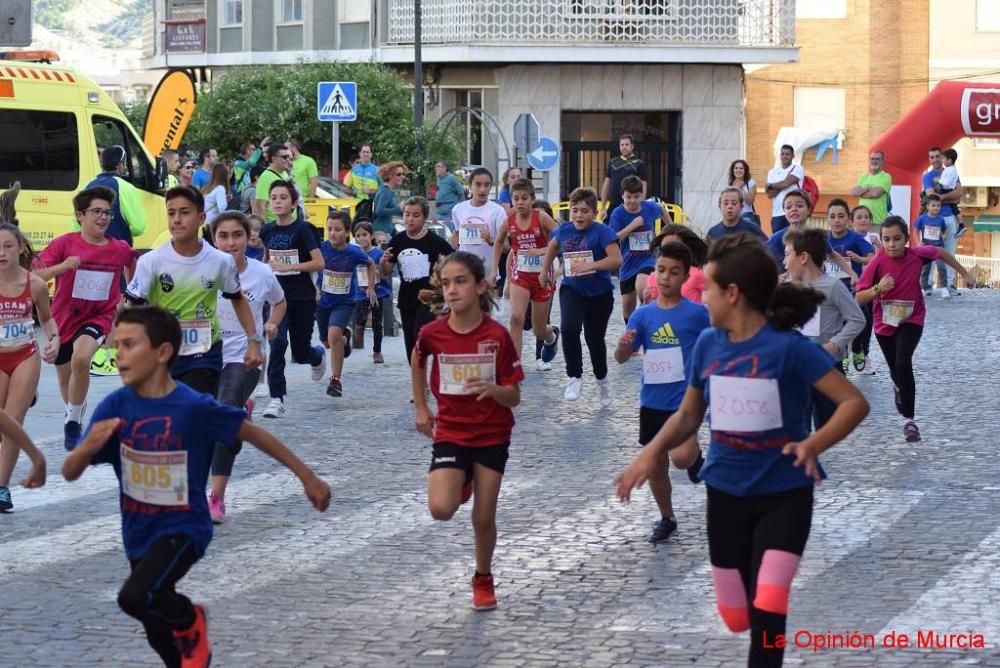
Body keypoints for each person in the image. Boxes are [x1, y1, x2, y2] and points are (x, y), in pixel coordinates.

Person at [616, 234, 870, 668]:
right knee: (737, 616)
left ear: (732, 295)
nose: (703, 294)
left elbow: (853, 403)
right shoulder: (709, 346)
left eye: (708, 288)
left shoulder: (790, 348)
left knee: (769, 602)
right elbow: (689, 414)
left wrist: (812, 443)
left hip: (785, 492)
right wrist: (651, 451)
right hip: (726, 492)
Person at [62, 305, 331, 667]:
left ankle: (191, 619)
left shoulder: (193, 408)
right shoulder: (114, 406)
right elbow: (70, 471)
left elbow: (253, 434)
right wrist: (89, 447)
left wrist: (307, 476)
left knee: (134, 597)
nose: (118, 355)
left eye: (128, 345)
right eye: (116, 346)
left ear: (162, 352)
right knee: (154, 620)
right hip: (138, 530)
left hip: (184, 526)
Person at [412, 251, 524, 611]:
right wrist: (421, 405)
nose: (452, 290)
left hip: (492, 433)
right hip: (452, 431)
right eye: (446, 283)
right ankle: (462, 479)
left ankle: (483, 578)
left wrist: (494, 391)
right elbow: (418, 356)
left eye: (460, 282)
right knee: (441, 509)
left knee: (483, 516)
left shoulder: (497, 335)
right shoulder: (433, 333)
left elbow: (515, 396)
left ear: (480, 286)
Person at [125, 186, 263, 399]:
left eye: (185, 212)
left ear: (201, 218)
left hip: (204, 354)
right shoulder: (151, 261)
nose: (177, 219)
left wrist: (253, 341)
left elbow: (237, 299)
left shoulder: (220, 261)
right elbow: (131, 306)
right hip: (161, 352)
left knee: (194, 411)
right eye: (171, 213)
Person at [614, 242, 709, 543]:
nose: (666, 277)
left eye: (674, 272)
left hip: (685, 400)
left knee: (680, 457)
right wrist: (623, 345)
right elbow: (621, 357)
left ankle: (695, 460)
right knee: (657, 465)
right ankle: (667, 517)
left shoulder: (698, 314)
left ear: (686, 277)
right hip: (652, 399)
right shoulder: (643, 316)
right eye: (661, 270)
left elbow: (719, 341)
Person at [34, 186, 137, 451]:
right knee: (65, 380)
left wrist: (126, 298)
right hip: (63, 318)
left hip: (100, 316)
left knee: (82, 359)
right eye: (96, 212)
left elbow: (131, 263)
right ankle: (75, 411)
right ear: (81, 215)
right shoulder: (64, 244)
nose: (103, 218)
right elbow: (35, 276)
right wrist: (63, 267)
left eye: (107, 213)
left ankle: (71, 422)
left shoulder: (119, 248)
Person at [855, 216, 974, 443]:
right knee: (895, 370)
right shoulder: (877, 262)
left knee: (903, 363)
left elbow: (941, 253)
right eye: (887, 239)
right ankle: (898, 385)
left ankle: (909, 421)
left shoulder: (917, 254)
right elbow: (859, 297)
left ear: (907, 238)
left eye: (897, 239)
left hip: (912, 318)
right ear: (881, 240)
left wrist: (964, 273)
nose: (892, 244)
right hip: (884, 324)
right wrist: (879, 288)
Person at [208, 212, 286, 525]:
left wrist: (271, 323)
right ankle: (242, 407)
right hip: (205, 357)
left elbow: (279, 302)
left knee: (225, 412)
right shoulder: (201, 271)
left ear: (247, 237)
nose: (230, 243)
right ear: (213, 239)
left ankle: (216, 496)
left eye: (236, 235)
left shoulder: (262, 273)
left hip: (245, 359)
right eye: (223, 236)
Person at [540, 187, 622, 405]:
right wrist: (544, 270)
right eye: (574, 210)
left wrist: (591, 265)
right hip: (572, 289)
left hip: (600, 293)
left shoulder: (602, 232)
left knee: (594, 339)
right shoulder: (564, 230)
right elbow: (552, 247)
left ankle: (602, 380)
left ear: (594, 213)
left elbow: (616, 260)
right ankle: (574, 376)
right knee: (569, 329)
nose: (578, 215)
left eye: (584, 211)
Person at [0, 223, 58, 511]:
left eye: (8, 246)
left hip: (25, 355)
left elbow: (46, 319)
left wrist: (55, 340)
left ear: (21, 248)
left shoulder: (34, 284)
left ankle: (1, 488)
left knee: (13, 420)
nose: (1, 253)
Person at [783, 228, 866, 430]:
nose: (784, 262)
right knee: (796, 423)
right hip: (796, 365)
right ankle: (802, 454)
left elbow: (857, 319)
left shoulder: (832, 286)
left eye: (787, 255)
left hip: (826, 365)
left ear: (803, 258)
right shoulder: (787, 288)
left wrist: (835, 344)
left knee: (827, 423)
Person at [259, 180, 326, 418]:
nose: (277, 201)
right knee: (277, 344)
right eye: (274, 197)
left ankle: (316, 355)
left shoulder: (304, 230)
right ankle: (276, 398)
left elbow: (319, 263)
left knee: (300, 352)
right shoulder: (266, 230)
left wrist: (290, 267)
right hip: (277, 299)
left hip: (302, 298)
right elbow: (267, 260)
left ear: (294, 202)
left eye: (283, 197)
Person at [490, 178, 560, 367]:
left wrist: (542, 251)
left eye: (524, 198)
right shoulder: (509, 221)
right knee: (516, 318)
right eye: (516, 199)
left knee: (538, 329)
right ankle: (515, 365)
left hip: (542, 276)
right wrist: (494, 269)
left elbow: (562, 237)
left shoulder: (541, 218)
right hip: (520, 276)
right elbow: (498, 242)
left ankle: (551, 336)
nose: (519, 202)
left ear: (532, 199)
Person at [380, 196, 455, 365]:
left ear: (425, 217)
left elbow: (453, 261)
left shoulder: (435, 241)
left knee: (420, 332)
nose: (410, 219)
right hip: (407, 298)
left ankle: (435, 360)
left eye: (416, 215)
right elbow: (384, 273)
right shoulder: (398, 240)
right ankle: (420, 381)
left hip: (429, 298)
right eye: (407, 214)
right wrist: (383, 261)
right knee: (411, 344)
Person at [316, 211, 377, 398]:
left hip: (344, 302)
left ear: (347, 232)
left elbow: (371, 264)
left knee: (333, 334)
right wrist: (314, 288)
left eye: (337, 230)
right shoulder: (321, 248)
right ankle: (344, 340)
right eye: (329, 229)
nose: (333, 233)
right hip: (323, 301)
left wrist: (370, 287)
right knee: (328, 342)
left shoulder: (353, 251)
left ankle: (335, 380)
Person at [765, 190, 856, 281]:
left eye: (799, 205)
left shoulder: (816, 236)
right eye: (788, 207)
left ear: (809, 210)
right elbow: (762, 261)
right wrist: (775, 278)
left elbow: (833, 255)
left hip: (815, 285)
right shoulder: (776, 239)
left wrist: (852, 274)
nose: (794, 209)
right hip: (789, 286)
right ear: (784, 212)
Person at [608, 175, 658, 323]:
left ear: (641, 195)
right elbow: (614, 239)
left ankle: (648, 323)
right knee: (627, 308)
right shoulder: (617, 214)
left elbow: (663, 211)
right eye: (628, 197)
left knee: (644, 291)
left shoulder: (650, 207)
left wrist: (669, 230)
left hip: (648, 259)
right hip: (627, 263)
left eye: (636, 197)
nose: (632, 201)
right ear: (622, 195)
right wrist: (632, 226)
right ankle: (632, 334)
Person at [449, 167, 506, 279]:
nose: (482, 189)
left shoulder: (498, 211)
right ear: (470, 186)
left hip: (488, 274)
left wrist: (490, 240)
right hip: (464, 271)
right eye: (478, 184)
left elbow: (507, 247)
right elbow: (457, 235)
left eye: (487, 185)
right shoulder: (458, 209)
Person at [85, 145, 147, 248]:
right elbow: (138, 227)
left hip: (90, 253)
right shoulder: (126, 188)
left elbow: (77, 223)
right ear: (119, 165)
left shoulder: (87, 186)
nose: (126, 167)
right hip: (118, 253)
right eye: (125, 163)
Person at [922, 147, 963, 295]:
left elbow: (959, 194)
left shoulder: (951, 171)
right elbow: (931, 197)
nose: (935, 160)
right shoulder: (927, 176)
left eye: (937, 156)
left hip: (950, 217)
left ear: (943, 157)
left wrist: (942, 198)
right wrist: (948, 198)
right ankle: (928, 285)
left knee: (950, 251)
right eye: (931, 157)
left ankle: (949, 285)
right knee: (930, 251)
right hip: (932, 219)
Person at [351, 221, 392, 363]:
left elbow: (385, 270)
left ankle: (377, 352)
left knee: (376, 323)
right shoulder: (355, 253)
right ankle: (359, 327)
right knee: (360, 315)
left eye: (364, 235)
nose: (362, 238)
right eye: (358, 235)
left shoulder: (378, 253)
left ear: (371, 235)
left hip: (377, 291)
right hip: (361, 292)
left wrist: (381, 264)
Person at [848, 205, 880, 375]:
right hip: (852, 287)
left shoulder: (873, 238)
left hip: (871, 286)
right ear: (852, 221)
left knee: (868, 322)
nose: (863, 220)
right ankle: (848, 351)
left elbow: (882, 259)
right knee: (857, 319)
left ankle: (863, 353)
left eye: (866, 217)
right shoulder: (848, 238)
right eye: (859, 217)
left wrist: (878, 244)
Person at [644, 224, 709, 305]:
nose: (669, 253)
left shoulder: (696, 275)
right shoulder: (654, 277)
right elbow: (652, 308)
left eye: (674, 248)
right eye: (664, 248)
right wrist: (646, 302)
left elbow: (717, 294)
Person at [825, 198, 874, 290]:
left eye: (841, 216)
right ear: (827, 218)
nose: (836, 220)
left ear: (848, 218)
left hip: (851, 290)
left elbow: (873, 259)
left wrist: (860, 259)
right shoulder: (823, 239)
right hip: (829, 290)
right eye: (832, 216)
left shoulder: (856, 238)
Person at [600, 134, 647, 220]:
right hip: (614, 205)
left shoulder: (639, 163)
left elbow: (643, 186)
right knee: (610, 231)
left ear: (632, 146)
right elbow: (606, 184)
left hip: (631, 205)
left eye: (627, 144)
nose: (624, 147)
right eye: (622, 145)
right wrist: (603, 207)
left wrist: (640, 207)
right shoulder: (613, 162)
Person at [914, 194, 950, 297]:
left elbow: (944, 230)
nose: (936, 208)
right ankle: (924, 288)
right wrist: (918, 243)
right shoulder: (922, 219)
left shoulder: (941, 220)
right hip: (926, 248)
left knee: (941, 267)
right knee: (925, 269)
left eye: (938, 206)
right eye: (933, 205)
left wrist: (944, 235)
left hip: (938, 248)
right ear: (928, 206)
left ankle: (944, 287)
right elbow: (915, 230)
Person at [764, 145, 804, 233]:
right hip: (777, 214)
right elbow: (770, 195)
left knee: (795, 242)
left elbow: (785, 184)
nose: (785, 156)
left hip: (794, 212)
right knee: (777, 244)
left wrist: (770, 185)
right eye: (782, 154)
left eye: (787, 154)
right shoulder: (772, 172)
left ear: (793, 156)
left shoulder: (798, 169)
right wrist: (783, 184)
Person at [849, 150, 892, 225]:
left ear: (882, 161)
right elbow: (854, 193)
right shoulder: (864, 177)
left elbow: (875, 194)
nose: (874, 161)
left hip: (878, 222)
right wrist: (867, 188)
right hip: (862, 222)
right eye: (872, 159)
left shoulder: (886, 177)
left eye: (877, 159)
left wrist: (862, 192)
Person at [253, 144, 293, 222]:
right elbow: (260, 208)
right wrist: (266, 231)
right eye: (284, 157)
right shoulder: (265, 178)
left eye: (288, 157)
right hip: (276, 227)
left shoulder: (284, 173)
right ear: (274, 158)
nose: (288, 160)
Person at [372, 161, 406, 238]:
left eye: (403, 174)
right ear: (390, 176)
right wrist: (398, 208)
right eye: (399, 174)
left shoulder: (389, 191)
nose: (402, 176)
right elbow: (379, 211)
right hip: (381, 233)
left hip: (387, 231)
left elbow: (391, 210)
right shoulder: (385, 191)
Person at [727, 159, 758, 225]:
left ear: (745, 171)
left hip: (746, 215)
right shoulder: (730, 183)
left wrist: (740, 189)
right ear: (733, 170)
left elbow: (750, 201)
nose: (738, 170)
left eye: (741, 168)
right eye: (736, 168)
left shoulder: (750, 182)